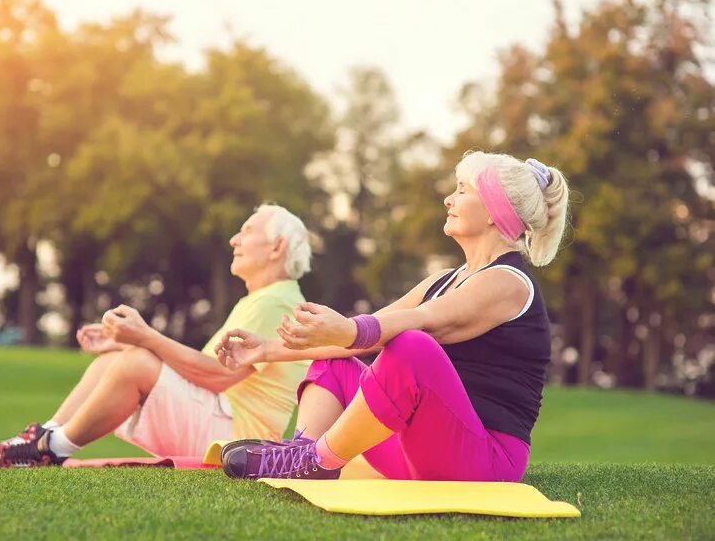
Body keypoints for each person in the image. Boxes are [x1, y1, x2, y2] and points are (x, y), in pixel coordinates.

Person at [216, 151, 570, 482]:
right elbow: (367, 333)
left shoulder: (508, 282)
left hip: (485, 461)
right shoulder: (443, 279)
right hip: (418, 448)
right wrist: (266, 350)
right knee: (335, 360)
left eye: (462, 190)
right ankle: (302, 456)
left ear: (495, 210)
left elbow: (427, 320)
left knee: (411, 345)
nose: (448, 199)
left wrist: (345, 329)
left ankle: (315, 460)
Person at [0, 204, 312, 468]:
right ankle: (44, 436)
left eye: (247, 231)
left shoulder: (276, 302)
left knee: (135, 362)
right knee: (122, 358)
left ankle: (53, 448)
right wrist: (126, 341)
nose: (235, 239)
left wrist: (144, 338)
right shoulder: (267, 299)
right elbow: (203, 370)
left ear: (277, 247)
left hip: (238, 440)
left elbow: (217, 376)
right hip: (224, 421)